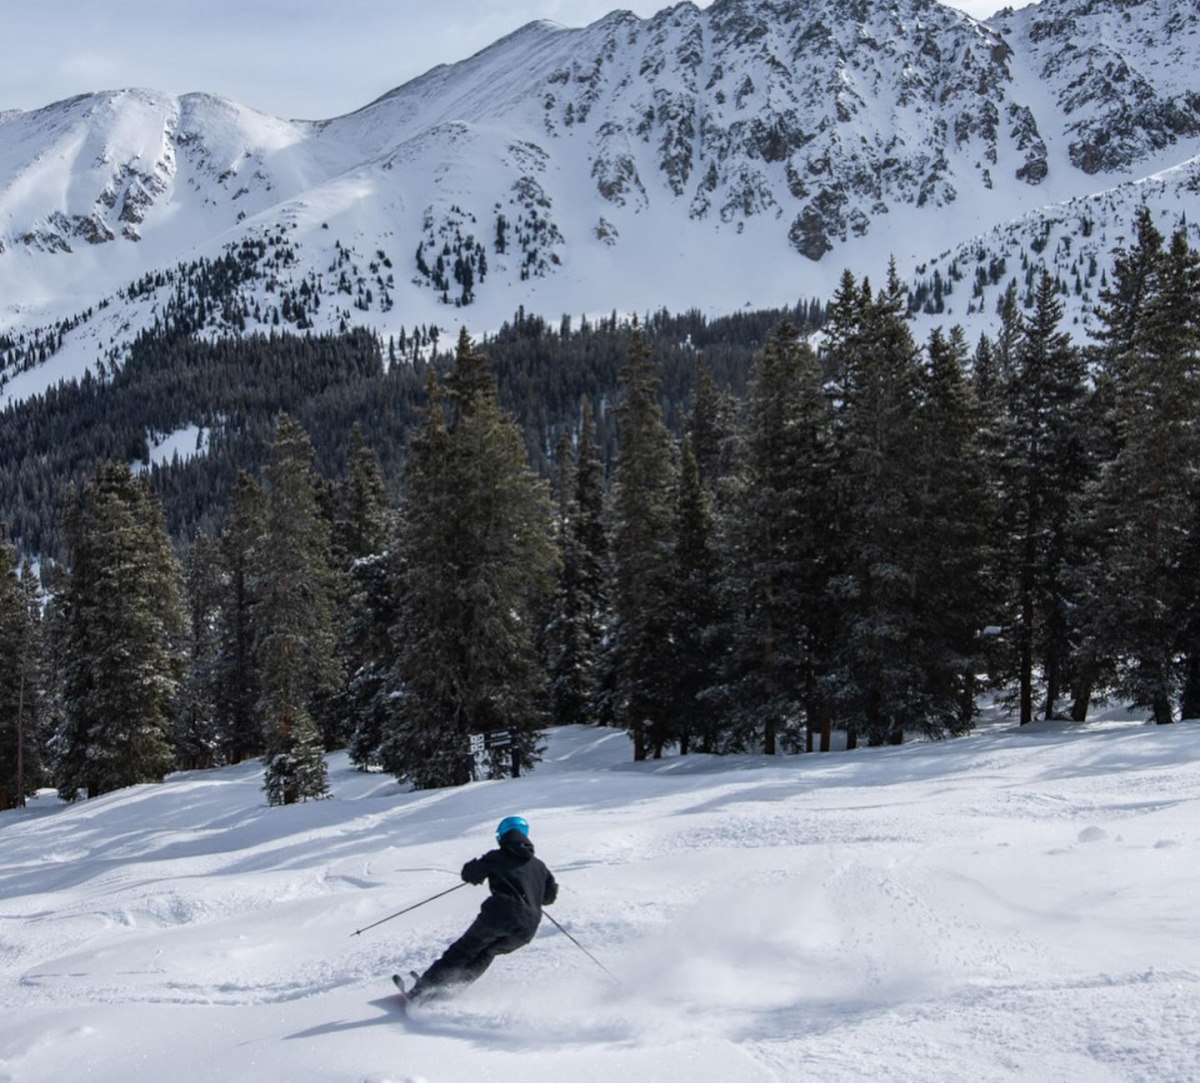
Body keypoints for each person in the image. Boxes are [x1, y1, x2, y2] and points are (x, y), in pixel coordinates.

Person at [404, 815, 558, 1002]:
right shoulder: (540, 866)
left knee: (463, 951)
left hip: (500, 914)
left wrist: (482, 869)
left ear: (502, 835)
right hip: (527, 927)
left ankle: (422, 990)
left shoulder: (498, 856)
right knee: (487, 953)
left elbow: (469, 874)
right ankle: (452, 988)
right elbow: (549, 898)